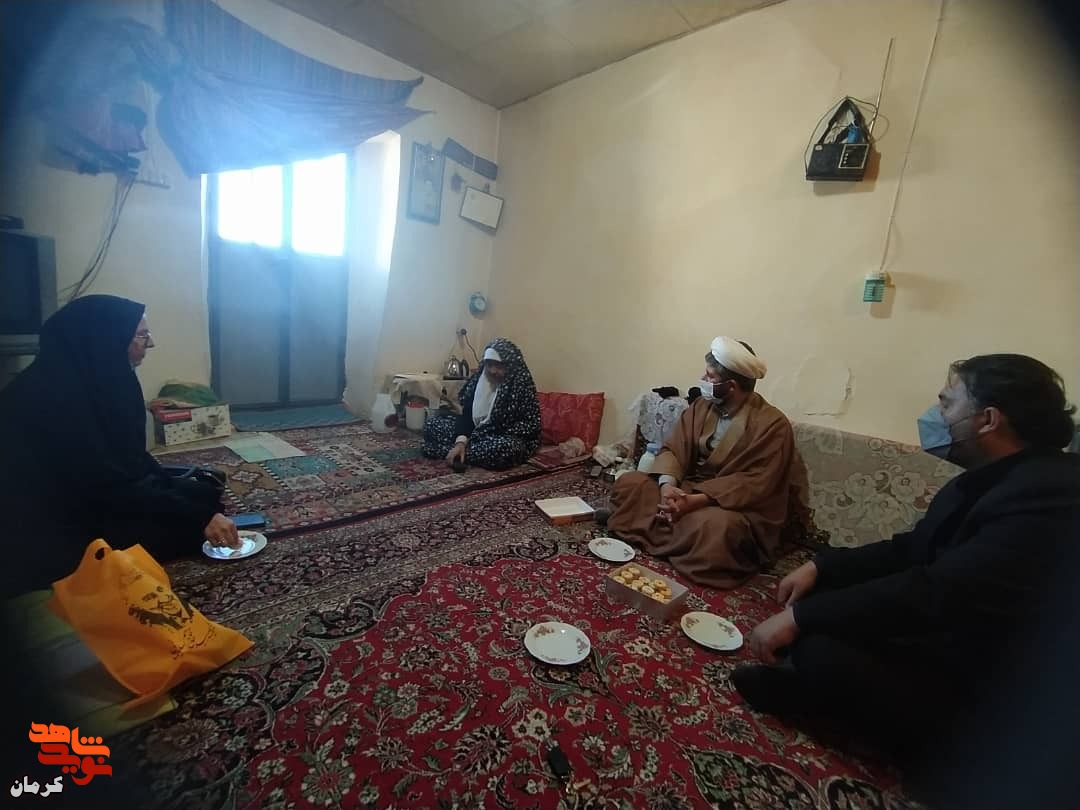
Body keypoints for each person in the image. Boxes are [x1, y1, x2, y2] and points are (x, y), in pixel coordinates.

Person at [734, 354, 1080, 808]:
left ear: (987, 420)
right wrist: (823, 567)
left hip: (994, 681)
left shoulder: (1048, 495)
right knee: (824, 598)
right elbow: (911, 549)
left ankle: (899, 734)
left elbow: (936, 592)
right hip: (944, 624)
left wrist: (803, 617)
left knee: (819, 644)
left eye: (947, 403)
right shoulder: (986, 478)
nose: (936, 415)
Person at [0, 295, 240, 596]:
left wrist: (175, 489)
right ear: (105, 339)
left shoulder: (100, 376)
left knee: (203, 493)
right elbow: (109, 486)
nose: (150, 343)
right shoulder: (50, 399)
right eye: (141, 335)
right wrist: (198, 517)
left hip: (104, 493)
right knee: (191, 529)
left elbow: (130, 460)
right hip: (59, 523)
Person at [606, 337, 805, 588]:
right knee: (630, 484)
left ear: (731, 386)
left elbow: (755, 483)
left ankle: (655, 531)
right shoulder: (701, 405)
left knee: (715, 529)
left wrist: (696, 500)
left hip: (732, 506)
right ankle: (675, 537)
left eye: (710, 377)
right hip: (687, 488)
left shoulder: (772, 424)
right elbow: (675, 449)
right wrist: (668, 487)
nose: (703, 379)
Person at [422, 337, 541, 471]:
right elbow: (467, 416)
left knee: (504, 448)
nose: (492, 371)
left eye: (498, 365)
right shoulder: (479, 381)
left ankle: (455, 453)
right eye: (489, 365)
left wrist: (482, 435)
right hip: (475, 435)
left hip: (501, 437)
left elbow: (528, 429)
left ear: (511, 365)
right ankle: (462, 451)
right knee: (432, 424)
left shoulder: (521, 387)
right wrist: (461, 442)